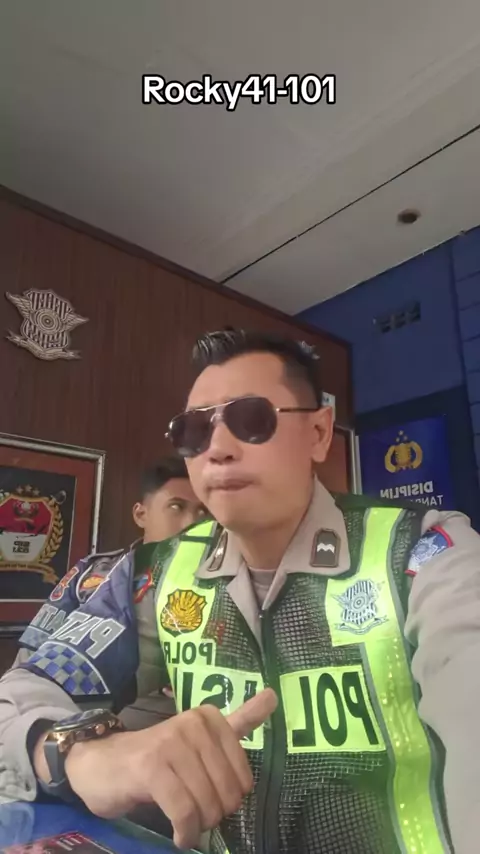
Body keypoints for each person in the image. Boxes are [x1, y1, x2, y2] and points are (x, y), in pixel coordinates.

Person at [0, 331, 477, 854]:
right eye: (194, 430)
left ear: (319, 433)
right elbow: (20, 694)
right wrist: (84, 754)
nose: (218, 449)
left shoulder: (419, 554)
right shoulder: (159, 574)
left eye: (252, 420)